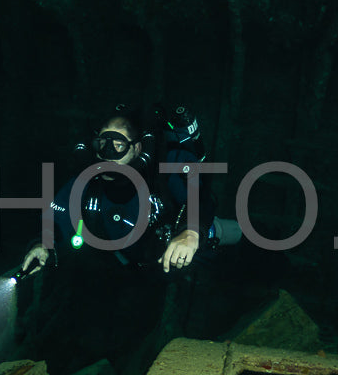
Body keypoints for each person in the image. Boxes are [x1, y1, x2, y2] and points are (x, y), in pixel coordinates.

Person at [19, 103, 240, 277]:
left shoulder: (162, 172)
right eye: (102, 144)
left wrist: (190, 233)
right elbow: (55, 219)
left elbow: (201, 197)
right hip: (130, 272)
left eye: (118, 146)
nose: (108, 154)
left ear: (137, 148)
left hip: (186, 255)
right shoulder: (85, 185)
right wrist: (41, 245)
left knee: (230, 239)